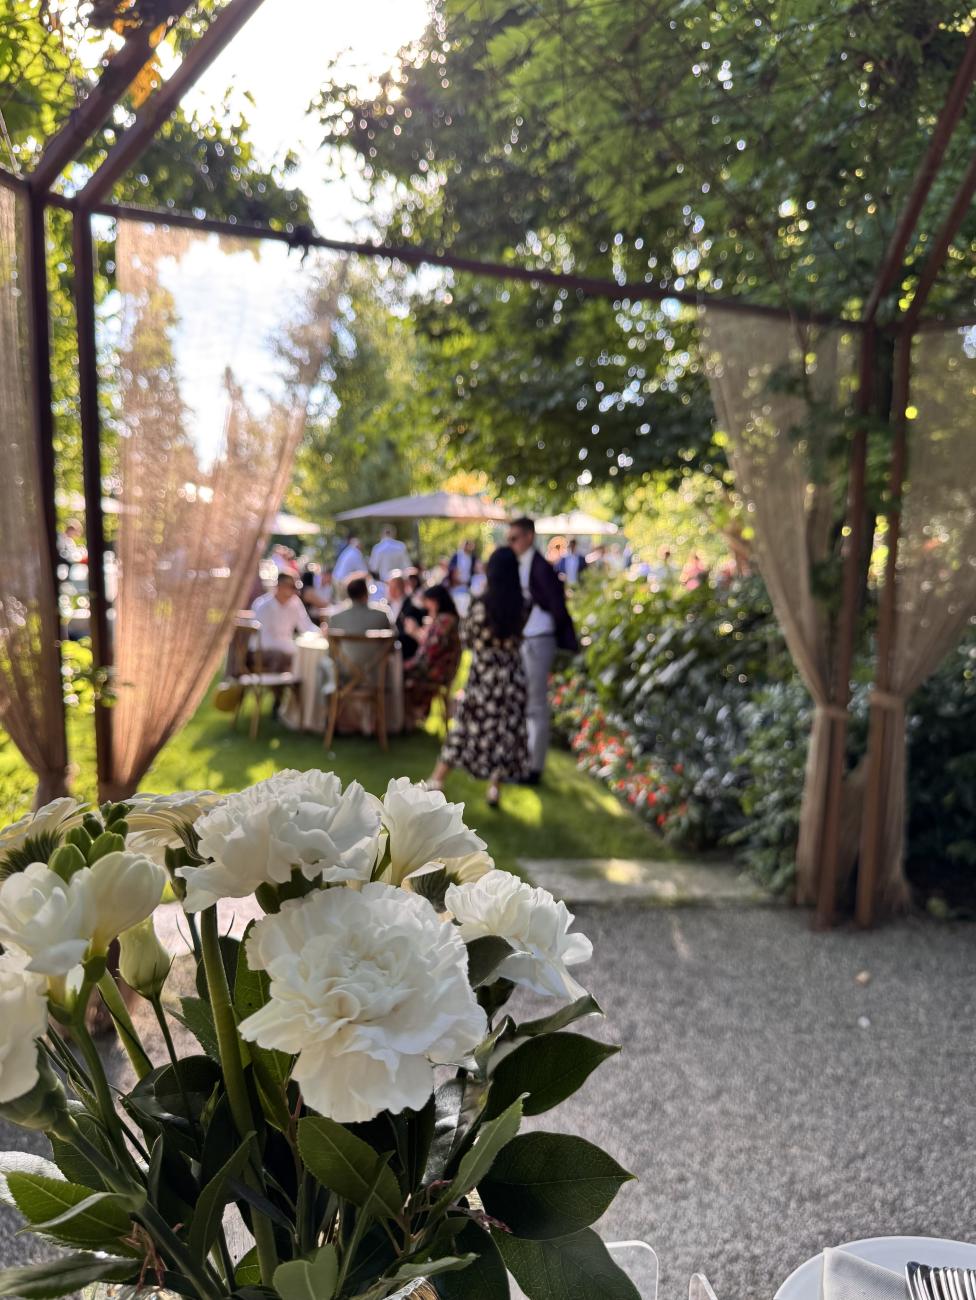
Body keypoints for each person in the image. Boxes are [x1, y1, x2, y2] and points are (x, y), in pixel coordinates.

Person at [429, 547, 529, 808]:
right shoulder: (523, 604)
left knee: (467, 724)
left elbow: (467, 638)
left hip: (485, 675)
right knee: (505, 732)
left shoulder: (481, 604)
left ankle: (437, 779)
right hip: (512, 675)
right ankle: (495, 788)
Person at [506, 516, 578, 785]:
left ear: (529, 536)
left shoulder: (539, 567)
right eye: (509, 539)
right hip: (528, 638)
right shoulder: (524, 564)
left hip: (539, 638)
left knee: (535, 704)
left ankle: (533, 768)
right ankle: (525, 761)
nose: (511, 544)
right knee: (525, 702)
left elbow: (555, 605)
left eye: (515, 538)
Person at [251, 573, 316, 711]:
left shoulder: (295, 603)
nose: (295, 591)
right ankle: (280, 701)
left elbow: (306, 626)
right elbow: (262, 640)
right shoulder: (263, 606)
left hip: (286, 649)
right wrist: (289, 648)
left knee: (304, 659)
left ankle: (300, 706)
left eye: (296, 587)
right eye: (291, 587)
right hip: (262, 652)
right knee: (281, 658)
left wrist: (321, 632)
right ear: (279, 586)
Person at [403, 585, 462, 727]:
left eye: (427, 601)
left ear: (435, 602)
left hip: (435, 671)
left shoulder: (444, 621)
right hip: (438, 668)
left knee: (396, 675)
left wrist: (414, 632)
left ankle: (405, 720)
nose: (425, 606)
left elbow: (430, 650)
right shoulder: (446, 620)